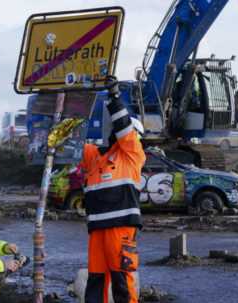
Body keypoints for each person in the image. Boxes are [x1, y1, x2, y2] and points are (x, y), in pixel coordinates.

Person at [80, 77, 146, 303]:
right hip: (97, 229)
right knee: (96, 280)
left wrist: (115, 99)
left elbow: (124, 129)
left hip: (120, 227)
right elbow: (74, 141)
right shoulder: (96, 157)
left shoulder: (132, 154)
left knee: (122, 280)